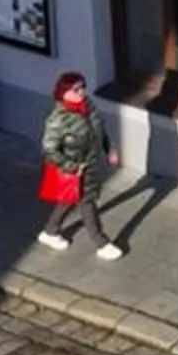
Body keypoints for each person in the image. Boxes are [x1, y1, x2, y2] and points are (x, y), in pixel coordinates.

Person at [37, 71, 121, 260]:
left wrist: (109, 150)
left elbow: (100, 130)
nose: (81, 92)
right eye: (76, 89)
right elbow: (49, 149)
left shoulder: (87, 106)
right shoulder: (58, 119)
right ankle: (101, 243)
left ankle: (50, 231)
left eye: (83, 86)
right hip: (75, 168)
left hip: (90, 164)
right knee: (87, 203)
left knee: (69, 200)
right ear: (63, 92)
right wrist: (70, 166)